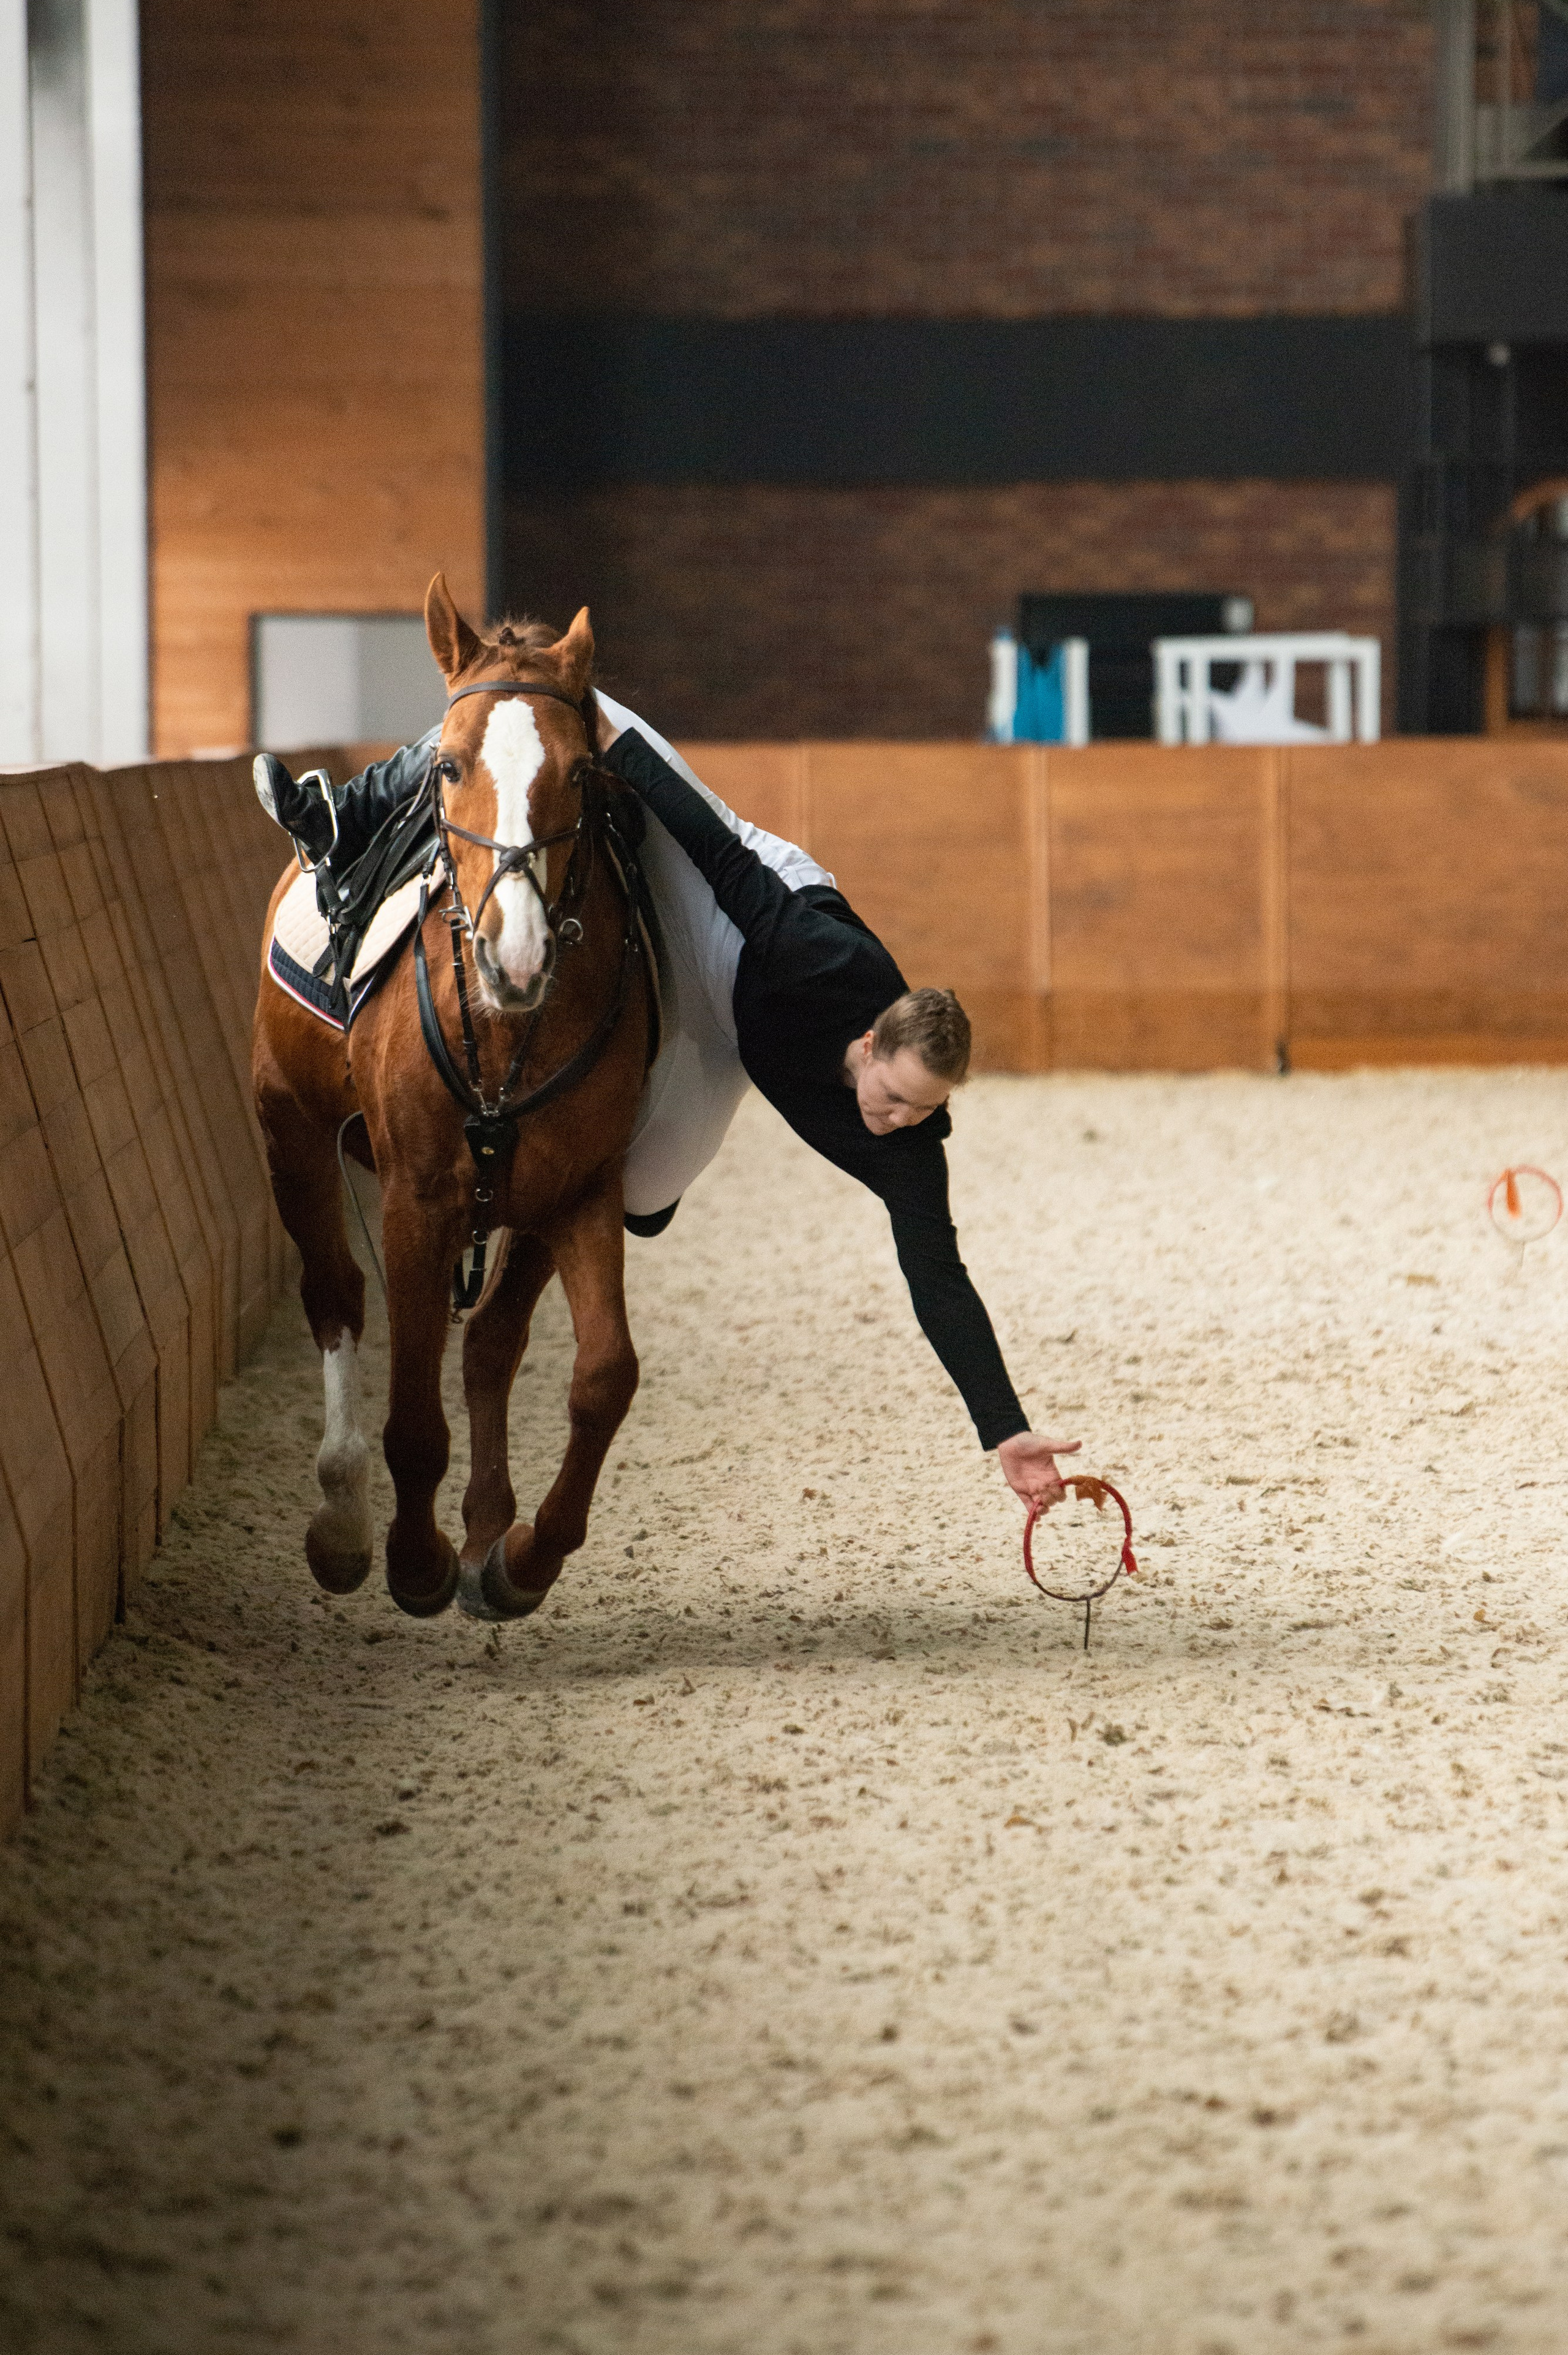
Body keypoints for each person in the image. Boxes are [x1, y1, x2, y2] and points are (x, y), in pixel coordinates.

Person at [255, 688, 1081, 1510]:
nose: (897, 1121)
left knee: (646, 1194)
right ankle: (350, 812)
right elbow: (719, 855)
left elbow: (937, 1272)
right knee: (550, 706)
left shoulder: (908, 1132)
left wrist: (1006, 1429)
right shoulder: (812, 955)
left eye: (921, 1113)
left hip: (737, 1023)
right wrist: (610, 741)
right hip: (731, 907)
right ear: (870, 1046)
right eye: (895, 1097)